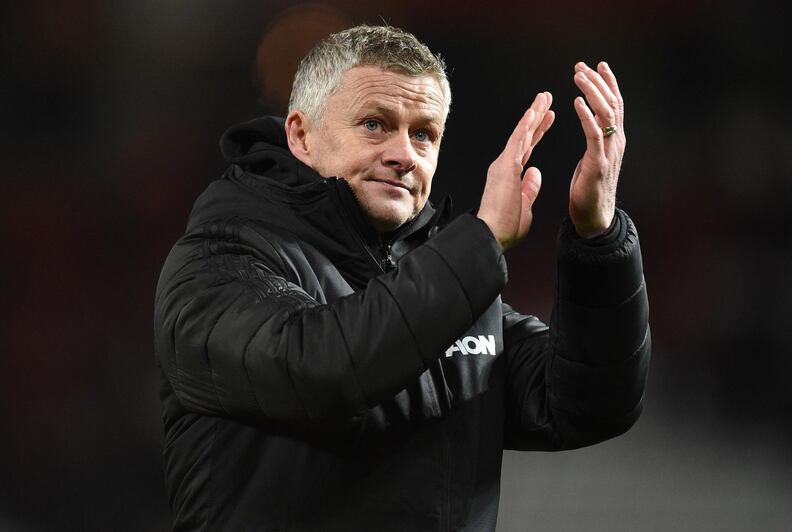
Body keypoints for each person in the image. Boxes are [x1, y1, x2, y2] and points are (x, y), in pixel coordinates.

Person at [154, 24, 650, 532]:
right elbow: (324, 371)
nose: (404, 154)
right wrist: (479, 243)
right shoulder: (220, 260)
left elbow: (588, 404)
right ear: (301, 135)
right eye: (374, 124)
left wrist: (598, 238)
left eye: (423, 134)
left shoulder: (446, 285)